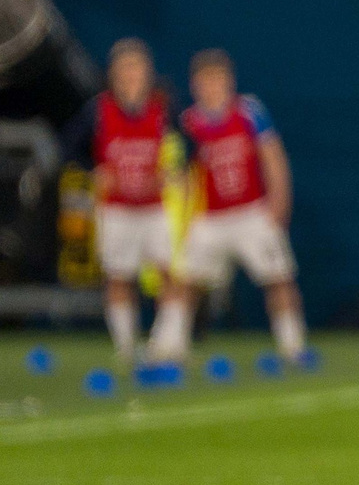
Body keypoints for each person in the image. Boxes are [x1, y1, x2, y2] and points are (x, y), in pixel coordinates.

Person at [147, 51, 307, 369]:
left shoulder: (249, 111)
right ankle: (167, 345)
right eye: (205, 80)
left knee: (279, 278)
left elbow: (272, 154)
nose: (212, 87)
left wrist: (279, 199)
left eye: (218, 79)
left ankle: (293, 346)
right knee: (184, 280)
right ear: (195, 85)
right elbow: (181, 171)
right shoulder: (188, 123)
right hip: (210, 218)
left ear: (230, 80)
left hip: (251, 212)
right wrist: (185, 218)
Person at [60, 40, 180, 367]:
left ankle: (163, 343)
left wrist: (173, 169)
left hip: (154, 207)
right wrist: (92, 171)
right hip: (115, 208)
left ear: (148, 71)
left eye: (136, 66)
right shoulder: (98, 110)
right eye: (124, 67)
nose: (130, 74)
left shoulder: (163, 107)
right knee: (118, 276)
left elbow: (187, 144)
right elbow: (67, 148)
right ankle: (126, 347)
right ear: (112, 73)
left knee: (168, 274)